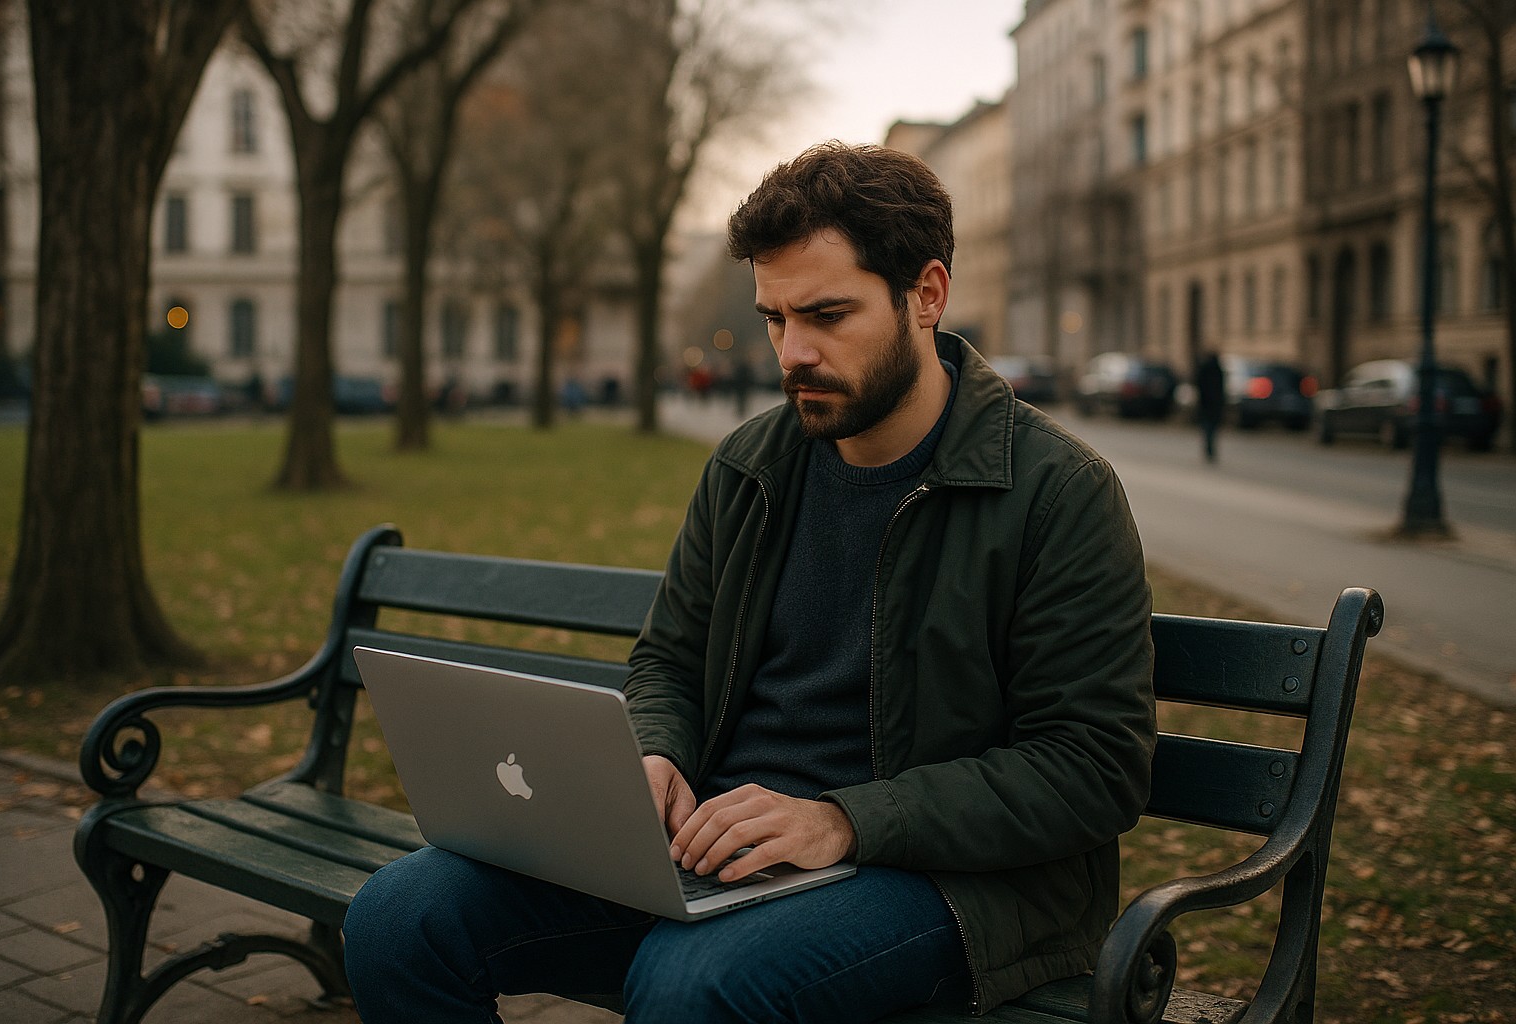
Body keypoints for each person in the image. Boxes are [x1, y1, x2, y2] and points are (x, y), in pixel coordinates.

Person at [342, 142, 1157, 1023]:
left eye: (827, 315)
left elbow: (1094, 766)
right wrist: (655, 754)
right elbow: (668, 661)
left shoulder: (1055, 491)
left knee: (692, 986)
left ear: (927, 294)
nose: (792, 352)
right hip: (718, 845)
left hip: (940, 881)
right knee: (399, 920)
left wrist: (843, 820)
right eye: (775, 318)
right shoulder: (750, 465)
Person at [1195, 351, 1226, 463]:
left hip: (1207, 404)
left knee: (1208, 429)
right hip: (1215, 404)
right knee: (1212, 429)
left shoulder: (1206, 368)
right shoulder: (1218, 369)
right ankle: (1210, 450)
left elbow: (1199, 384)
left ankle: (1209, 450)